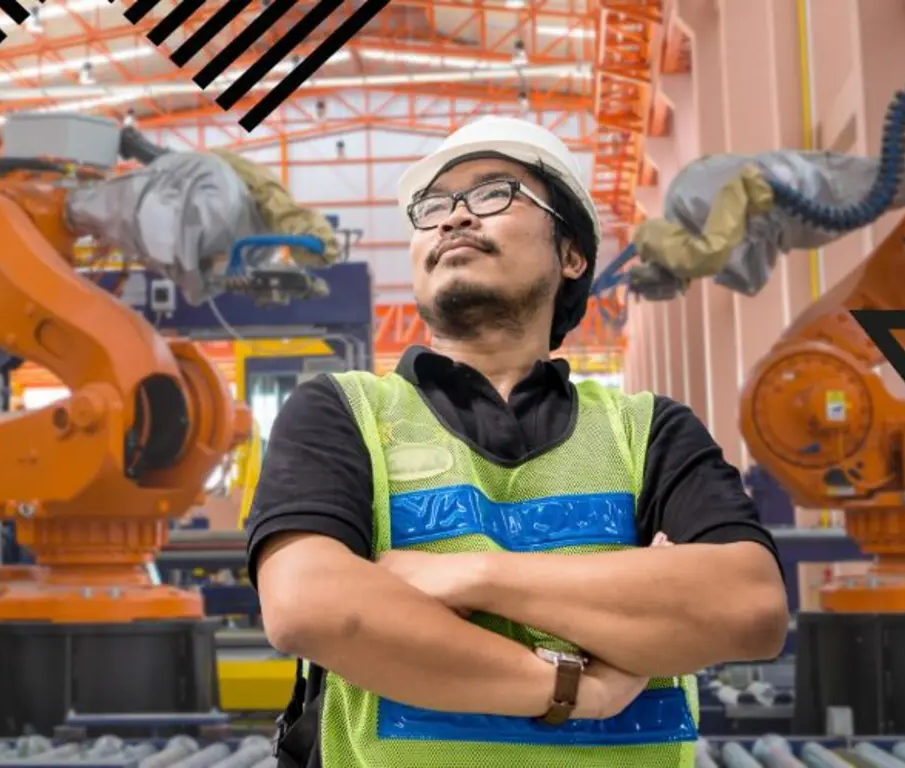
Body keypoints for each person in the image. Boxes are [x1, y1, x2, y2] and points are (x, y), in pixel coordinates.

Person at [247, 116, 790, 768]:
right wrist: (576, 688)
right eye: (433, 207)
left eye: (492, 194)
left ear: (571, 254)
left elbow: (748, 608)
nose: (452, 219)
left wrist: (468, 574)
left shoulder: (648, 430)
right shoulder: (343, 412)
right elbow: (312, 606)